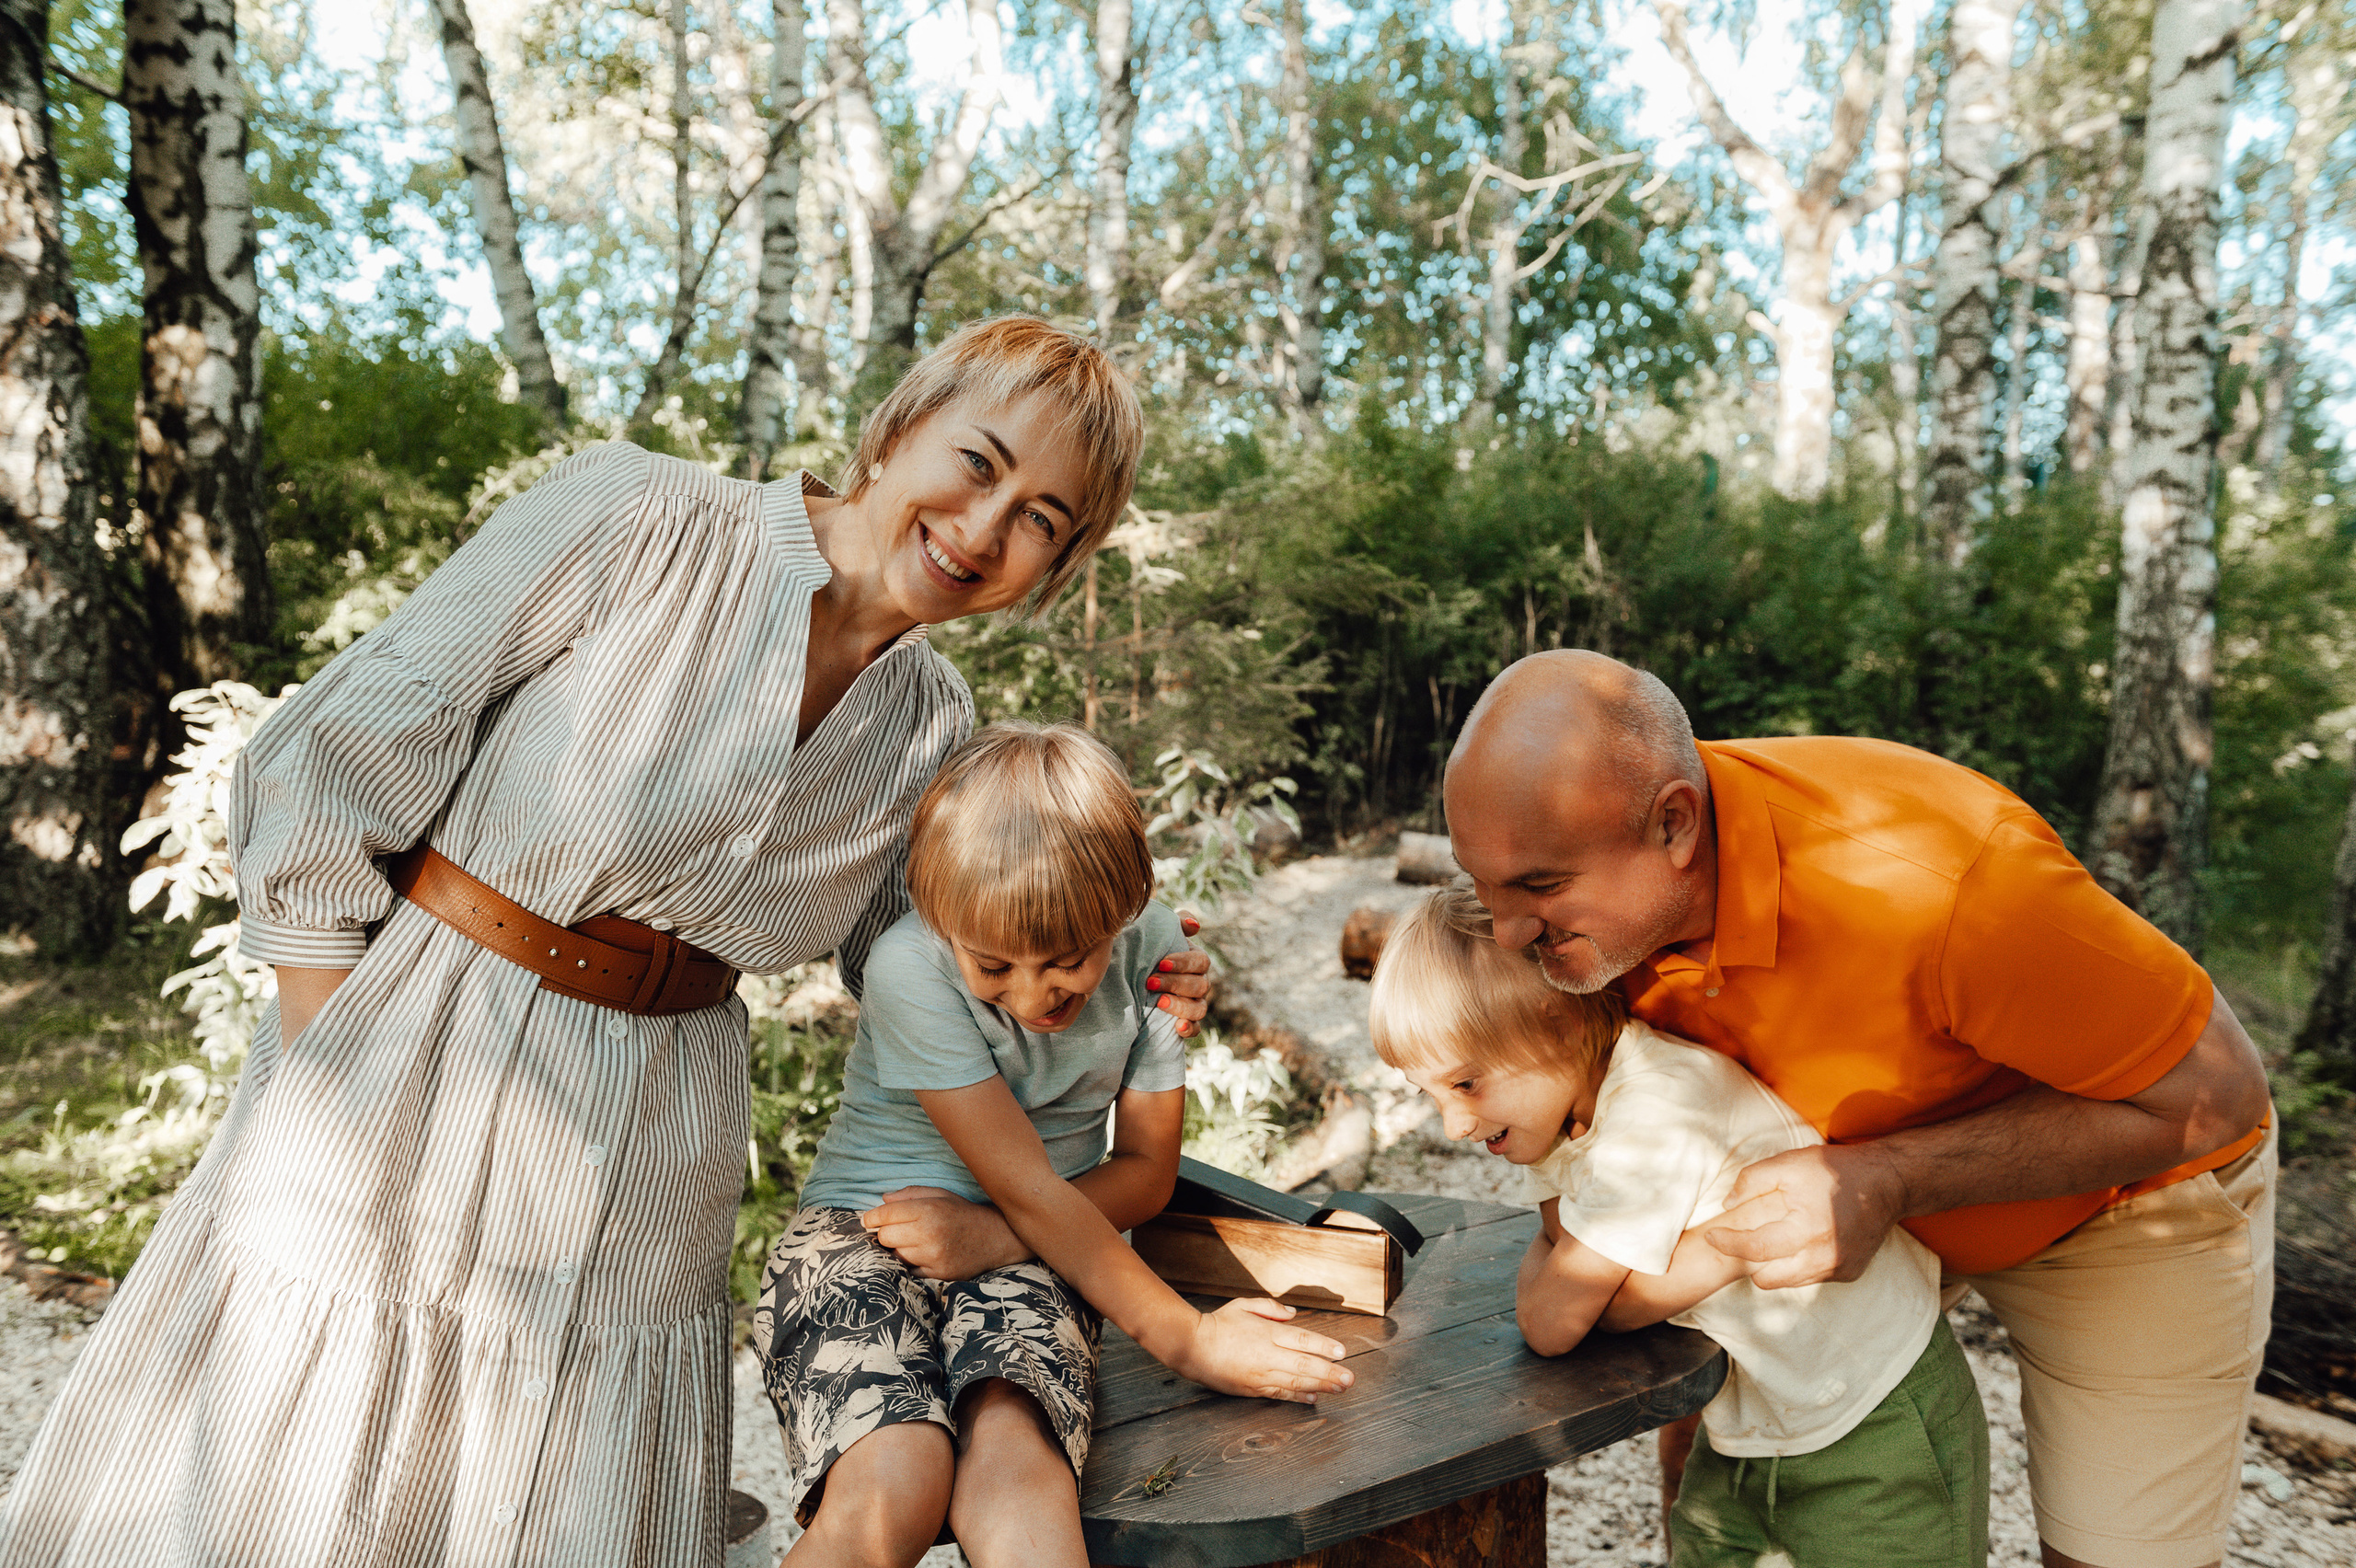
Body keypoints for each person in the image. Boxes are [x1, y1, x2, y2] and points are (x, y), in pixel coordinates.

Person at [0, 318, 1218, 1568]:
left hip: (659, 1137)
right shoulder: (642, 518)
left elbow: (933, 949)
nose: (986, 524)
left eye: (1042, 519)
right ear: (900, 427)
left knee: (546, 1507)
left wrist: (1136, 962)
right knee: (308, 1476)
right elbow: (340, 744)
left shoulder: (929, 724)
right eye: (978, 462)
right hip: (418, 1043)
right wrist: (335, 1062)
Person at [1441, 649, 2275, 1568]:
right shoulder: (1603, 885)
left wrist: (1890, 1176)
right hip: (1852, 1192)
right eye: (1484, 887)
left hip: (2122, 1198)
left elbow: (2214, 1096)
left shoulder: (1943, 884)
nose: (1509, 934)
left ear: (1674, 823)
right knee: (1720, 1479)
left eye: (1539, 889)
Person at [757, 721, 1350, 1568]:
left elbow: (1145, 1175)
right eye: (993, 967)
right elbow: (1032, 1185)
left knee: (1016, 1447)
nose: (1034, 994)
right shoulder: (910, 967)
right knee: (899, 1477)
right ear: (939, 918)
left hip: (1045, 1249)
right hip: (863, 1230)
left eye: (1068, 960)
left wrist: (991, 1238)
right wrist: (1195, 1341)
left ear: (1124, 909)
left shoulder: (1155, 954)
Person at [1369, 883, 1988, 1568]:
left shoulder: (1655, 1111)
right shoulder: (1558, 1116)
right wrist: (1632, 1274)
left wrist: (1674, 1266)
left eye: (1465, 1085)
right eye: (1427, 1096)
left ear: (1557, 1026)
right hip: (1758, 1423)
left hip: (1877, 1413)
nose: (1454, 1126)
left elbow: (1552, 1322)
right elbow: (1563, 1258)